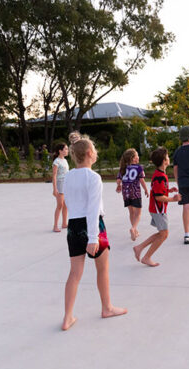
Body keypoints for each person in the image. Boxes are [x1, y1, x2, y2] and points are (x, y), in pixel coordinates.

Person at [61, 137, 127, 330]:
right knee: (103, 268)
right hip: (92, 226)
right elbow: (92, 209)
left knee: (74, 273)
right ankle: (107, 307)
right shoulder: (93, 177)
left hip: (73, 226)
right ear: (89, 153)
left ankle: (67, 317)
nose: (96, 152)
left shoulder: (69, 176)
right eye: (94, 149)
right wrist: (93, 237)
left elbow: (70, 203)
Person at [133, 147, 181, 267]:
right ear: (164, 161)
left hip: (156, 209)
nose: (169, 158)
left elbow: (158, 191)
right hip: (158, 209)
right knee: (164, 234)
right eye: (168, 157)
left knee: (162, 233)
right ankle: (146, 257)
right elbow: (159, 197)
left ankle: (139, 248)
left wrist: (169, 190)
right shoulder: (160, 176)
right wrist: (173, 199)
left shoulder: (159, 174)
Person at [116, 148, 149, 241]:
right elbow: (142, 180)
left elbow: (118, 180)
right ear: (133, 158)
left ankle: (134, 230)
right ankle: (133, 228)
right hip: (135, 193)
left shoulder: (123, 168)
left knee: (131, 212)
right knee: (138, 213)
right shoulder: (139, 168)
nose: (138, 157)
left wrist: (118, 186)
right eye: (137, 155)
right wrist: (146, 190)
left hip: (125, 193)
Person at [52, 142, 70, 232]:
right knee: (60, 205)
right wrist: (55, 189)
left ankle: (64, 223)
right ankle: (55, 225)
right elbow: (54, 175)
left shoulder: (65, 160)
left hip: (66, 184)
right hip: (60, 184)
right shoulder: (56, 161)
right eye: (65, 149)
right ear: (60, 151)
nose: (67, 150)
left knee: (65, 205)